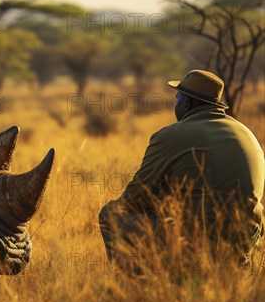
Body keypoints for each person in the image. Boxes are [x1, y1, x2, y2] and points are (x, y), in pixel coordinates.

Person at [99, 70, 264, 265]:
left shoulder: (172, 136)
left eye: (177, 97)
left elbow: (134, 197)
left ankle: (136, 288)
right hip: (242, 245)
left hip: (196, 247)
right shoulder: (247, 134)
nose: (174, 102)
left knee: (110, 215)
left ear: (186, 103)